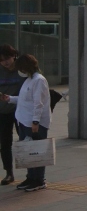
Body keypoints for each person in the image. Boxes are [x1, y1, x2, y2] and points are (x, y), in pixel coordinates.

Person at [0, 54, 51, 192]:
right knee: (29, 151)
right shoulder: (29, 80)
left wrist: (35, 121)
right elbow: (24, 99)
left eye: (20, 68)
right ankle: (31, 177)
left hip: (33, 123)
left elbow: (38, 103)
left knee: (37, 151)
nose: (19, 71)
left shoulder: (39, 80)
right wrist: (9, 98)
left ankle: (39, 179)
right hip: (24, 121)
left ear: (25, 67)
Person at [0, 45, 22, 186]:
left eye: (7, 58)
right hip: (3, 111)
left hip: (20, 111)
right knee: (5, 142)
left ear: (14, 55)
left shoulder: (22, 69)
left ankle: (32, 173)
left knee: (25, 140)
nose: (5, 62)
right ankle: (9, 173)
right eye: (1, 60)